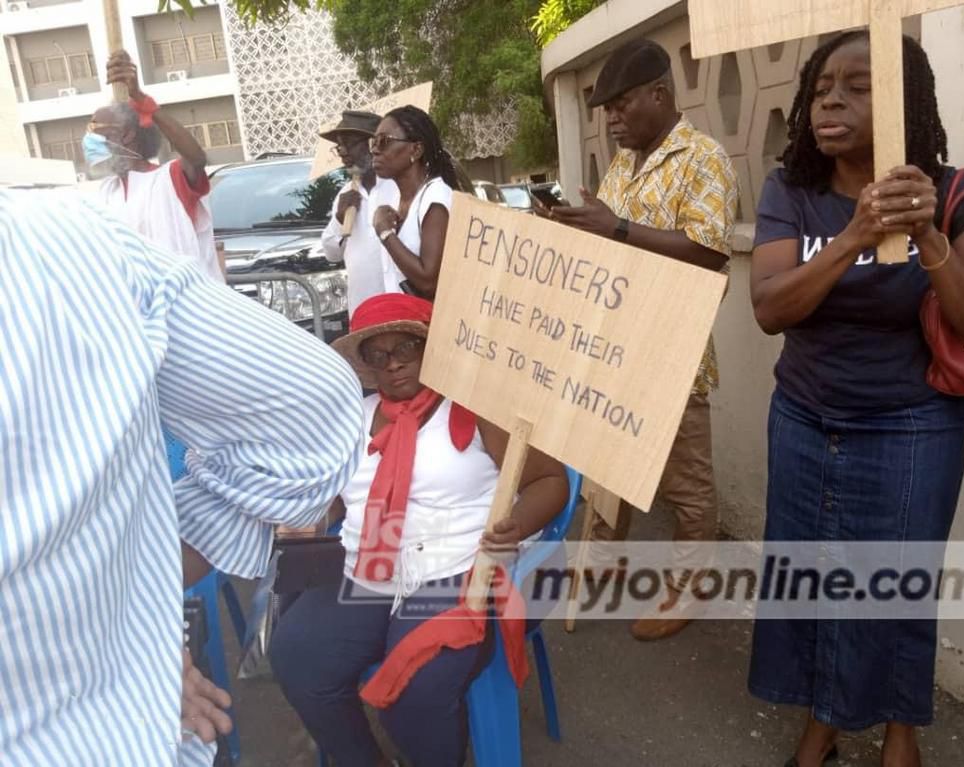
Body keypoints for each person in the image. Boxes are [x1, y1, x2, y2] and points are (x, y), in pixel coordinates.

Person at [0, 189, 365, 765]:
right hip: (128, 730)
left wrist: (136, 601)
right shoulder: (62, 237)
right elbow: (313, 411)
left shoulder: (85, 224)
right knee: (301, 652)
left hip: (131, 719)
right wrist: (132, 605)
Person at [746, 32, 964, 767]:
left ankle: (901, 734)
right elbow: (769, 307)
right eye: (822, 85)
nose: (831, 97)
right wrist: (855, 233)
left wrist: (923, 230)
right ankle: (824, 724)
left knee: (894, 589)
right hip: (803, 415)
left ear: (903, 102)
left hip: (911, 426)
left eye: (858, 85)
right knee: (813, 574)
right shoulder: (791, 191)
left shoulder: (953, 194)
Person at [269, 293, 569, 767]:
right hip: (366, 568)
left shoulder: (474, 409)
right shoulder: (353, 417)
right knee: (296, 657)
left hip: (453, 570)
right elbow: (330, 498)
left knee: (415, 692)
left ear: (430, 347)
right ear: (366, 363)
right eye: (379, 355)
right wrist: (303, 516)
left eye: (406, 348)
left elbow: (550, 483)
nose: (394, 365)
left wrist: (515, 526)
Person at [548, 38, 738, 641]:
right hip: (616, 346)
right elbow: (610, 240)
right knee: (608, 464)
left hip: (671, 352)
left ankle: (687, 588)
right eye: (605, 110)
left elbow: (709, 252)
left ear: (660, 94)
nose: (611, 119)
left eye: (620, 105)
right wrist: (575, 227)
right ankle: (600, 565)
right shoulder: (623, 165)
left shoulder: (703, 159)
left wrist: (619, 227)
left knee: (687, 484)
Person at [86, 50, 221, 282]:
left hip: (190, 306)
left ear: (127, 134)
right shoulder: (106, 192)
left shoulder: (170, 178)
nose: (89, 139)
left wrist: (141, 99)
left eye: (97, 129)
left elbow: (197, 159)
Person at [369, 106, 460, 299]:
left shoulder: (435, 198)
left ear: (416, 149)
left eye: (384, 141)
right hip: (405, 321)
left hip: (431, 326)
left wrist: (386, 234)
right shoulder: (397, 199)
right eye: (373, 142)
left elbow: (429, 281)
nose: (375, 150)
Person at [319, 110, 400, 314]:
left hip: (400, 305)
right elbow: (331, 253)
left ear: (373, 144)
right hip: (363, 309)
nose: (343, 152)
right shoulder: (344, 194)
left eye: (349, 143)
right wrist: (339, 219)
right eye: (339, 146)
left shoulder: (399, 187)